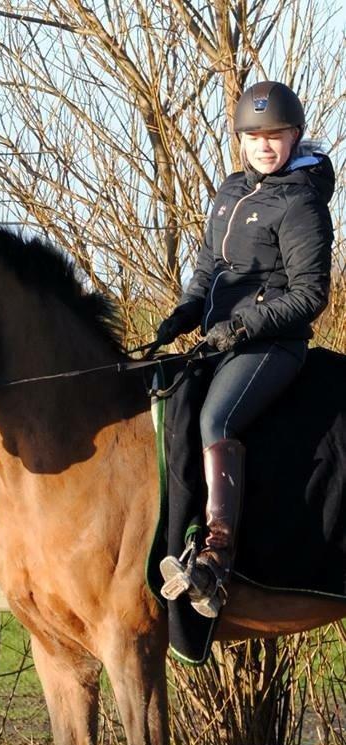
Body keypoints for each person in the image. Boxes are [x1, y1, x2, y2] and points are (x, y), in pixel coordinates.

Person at [157, 80, 335, 618]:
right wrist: (186, 312)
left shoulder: (301, 202)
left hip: (273, 345)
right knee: (169, 404)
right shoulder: (231, 193)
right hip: (219, 340)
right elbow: (210, 267)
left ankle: (217, 558)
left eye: (276, 136)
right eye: (254, 136)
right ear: (240, 140)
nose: (265, 145)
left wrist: (240, 328)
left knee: (218, 420)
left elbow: (310, 294)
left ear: (294, 137)